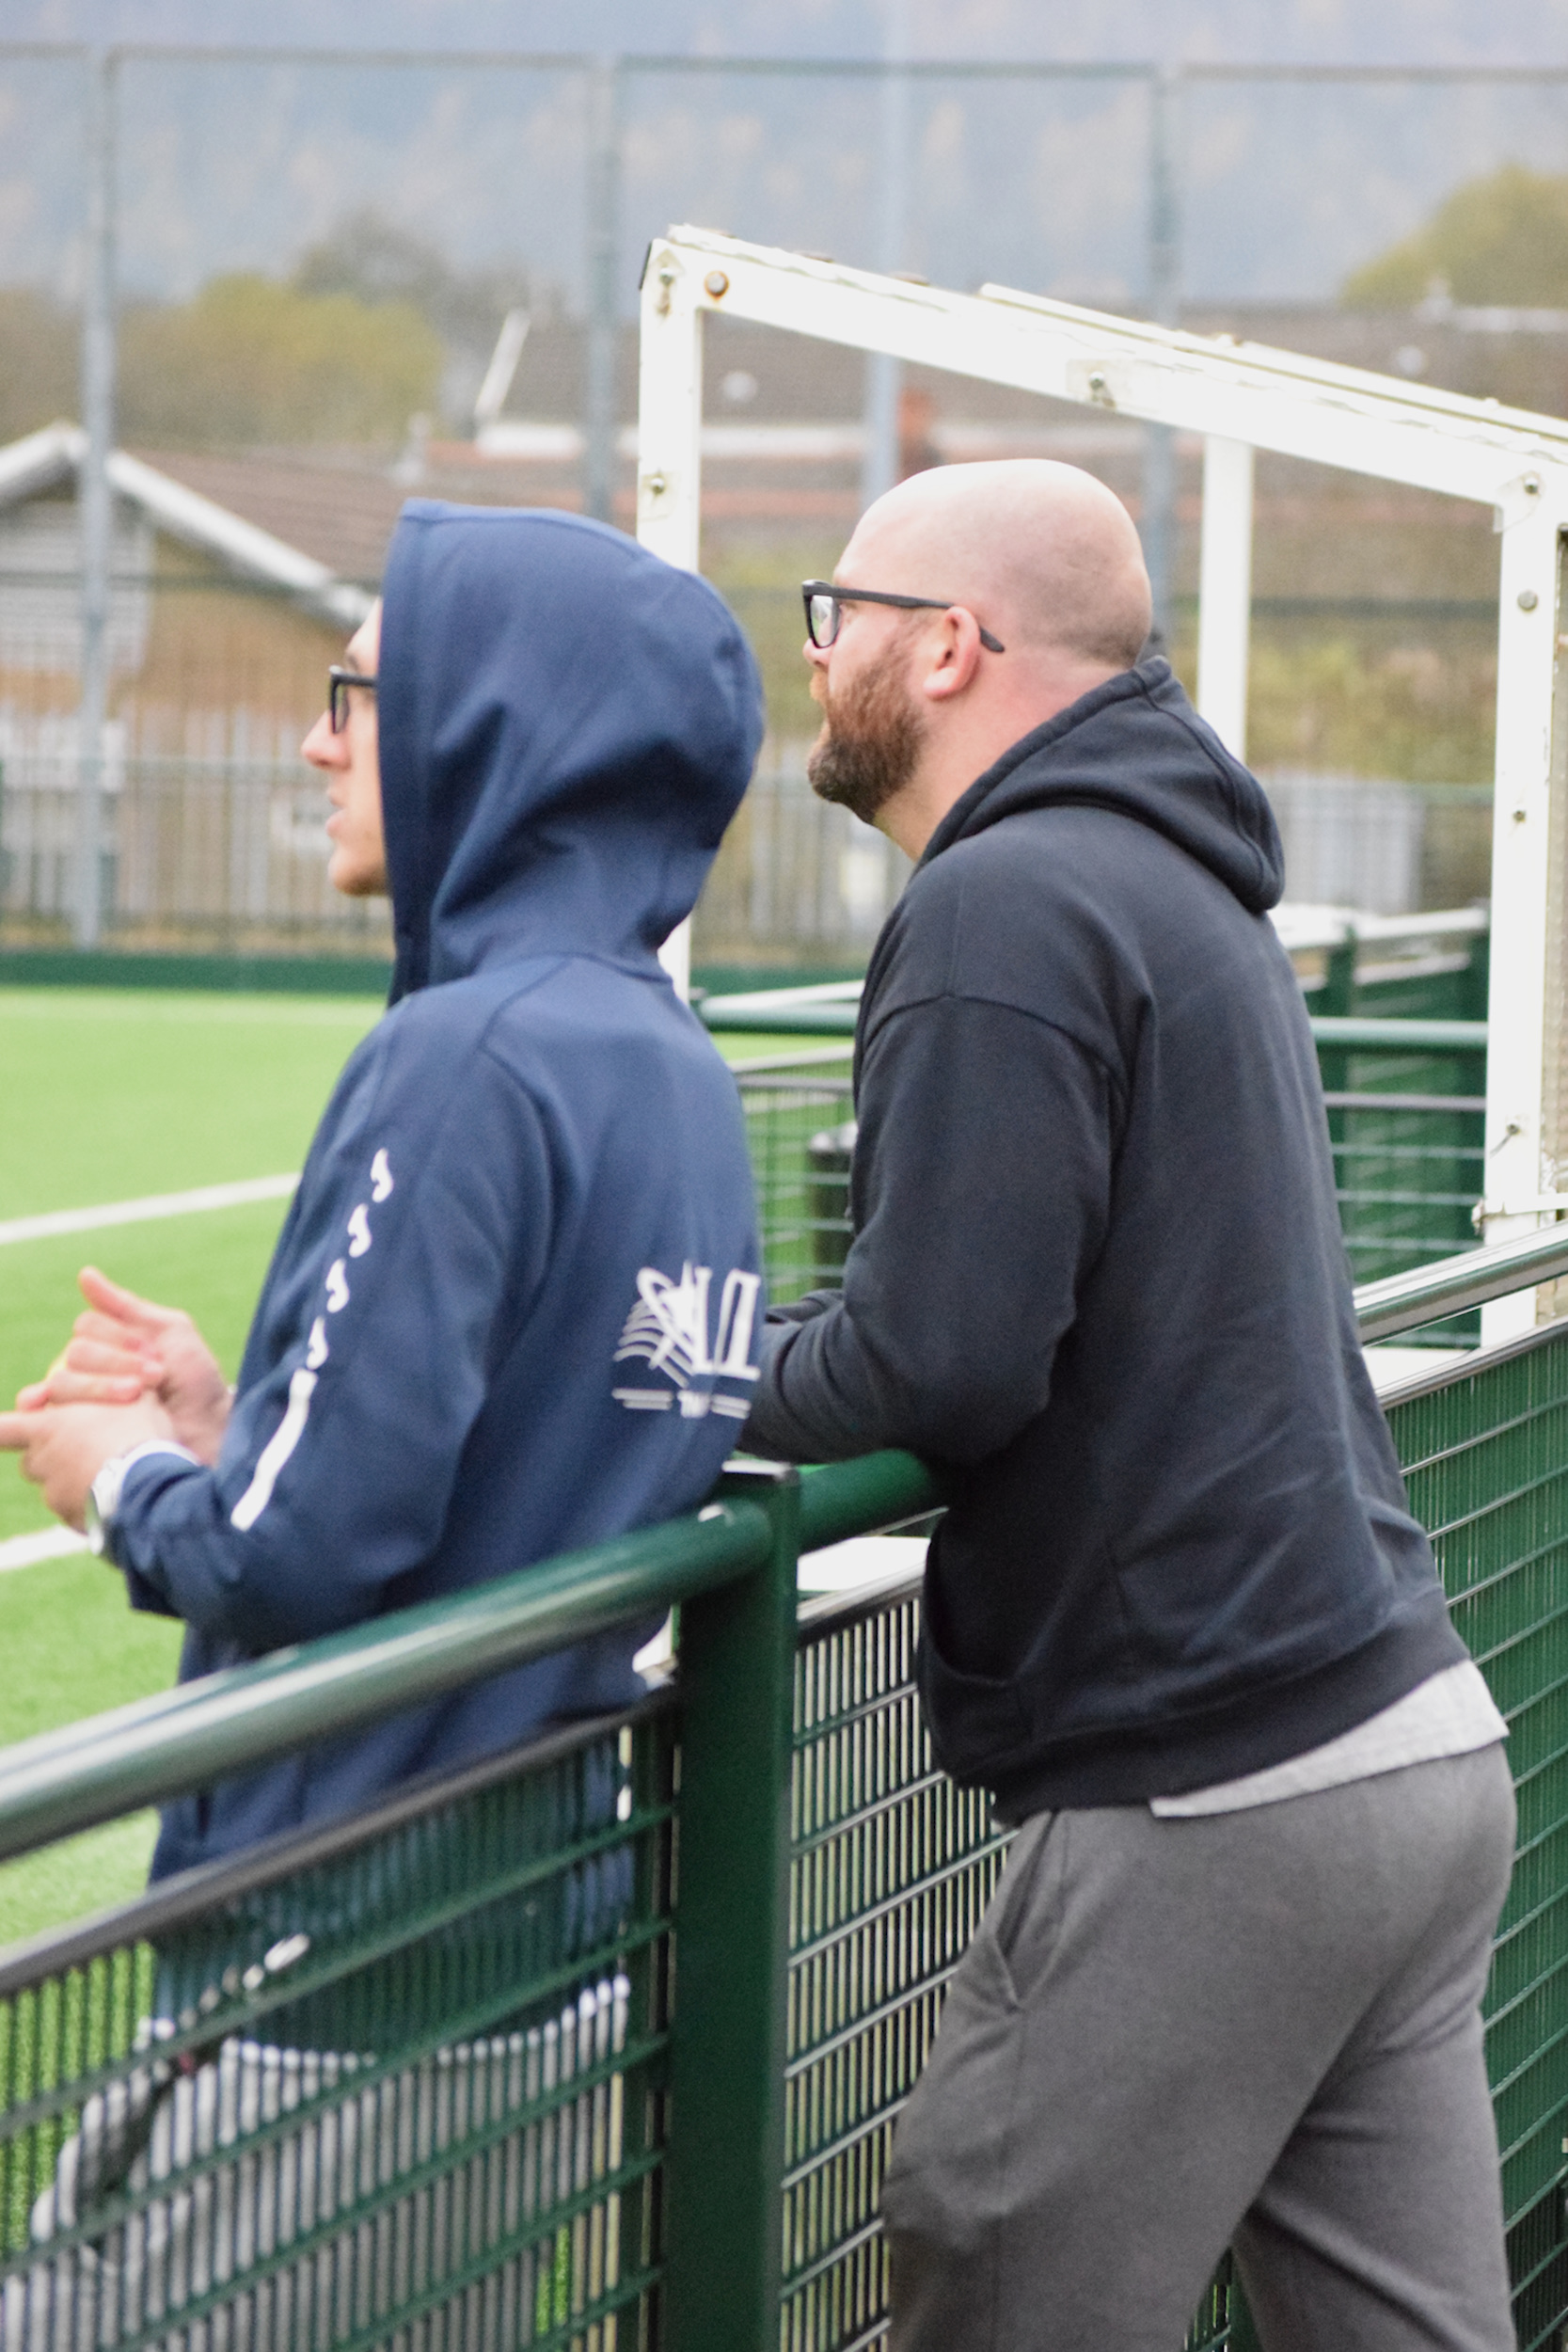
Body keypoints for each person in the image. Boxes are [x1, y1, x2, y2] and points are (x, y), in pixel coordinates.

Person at [742, 460, 1516, 2352]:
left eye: (837, 612)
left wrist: (686, 1378)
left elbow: (942, 1356)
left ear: (951, 645)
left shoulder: (1006, 900)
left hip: (1222, 1782)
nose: (817, 651)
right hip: (1406, 1747)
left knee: (992, 2277)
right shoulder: (1177, 870)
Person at [1, 498, 765, 1874]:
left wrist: (121, 1479)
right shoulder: (676, 1060)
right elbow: (512, 1480)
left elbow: (285, 1559)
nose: (319, 741)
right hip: (561, 1892)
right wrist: (247, 1427)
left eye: (360, 693)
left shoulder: (468, 1054)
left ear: (491, 724)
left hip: (352, 1942)